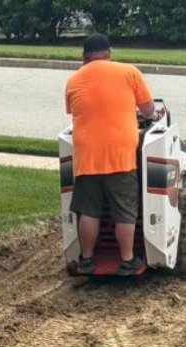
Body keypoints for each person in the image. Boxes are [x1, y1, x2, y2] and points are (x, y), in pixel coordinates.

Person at [65, 33, 157, 276]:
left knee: (89, 210)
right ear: (110, 52)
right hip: (120, 154)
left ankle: (86, 259)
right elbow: (148, 110)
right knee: (125, 210)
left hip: (86, 156)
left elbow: (75, 111)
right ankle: (128, 260)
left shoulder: (74, 80)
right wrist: (150, 115)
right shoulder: (129, 72)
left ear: (84, 57)